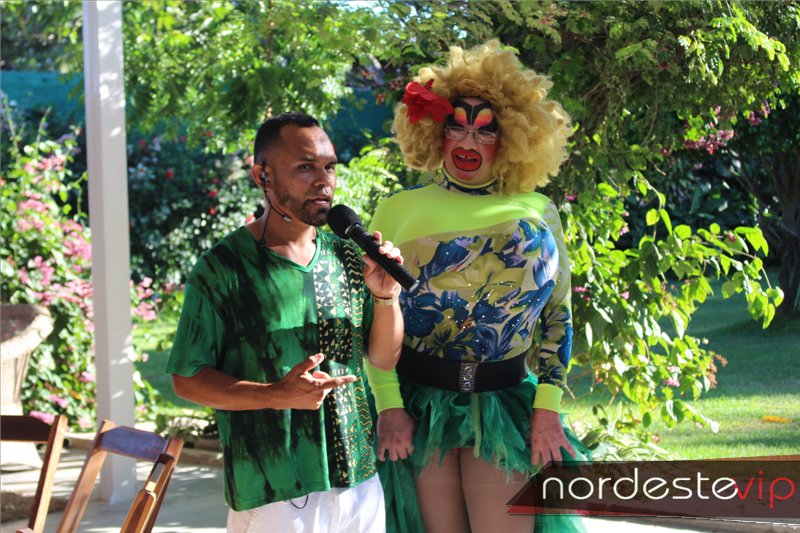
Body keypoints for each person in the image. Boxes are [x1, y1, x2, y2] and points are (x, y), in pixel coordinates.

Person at [364, 41, 588, 532]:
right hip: (420, 408)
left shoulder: (539, 211)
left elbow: (558, 317)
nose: (468, 140)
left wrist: (548, 409)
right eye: (456, 126)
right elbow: (372, 317)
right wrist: (389, 405)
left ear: (510, 139)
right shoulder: (397, 210)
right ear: (435, 132)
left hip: (506, 404)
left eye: (486, 130)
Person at [166, 112, 405, 533]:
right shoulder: (223, 268)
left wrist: (385, 295)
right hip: (275, 491)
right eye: (306, 167)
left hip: (359, 483)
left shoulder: (349, 256)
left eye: (329, 166)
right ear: (263, 176)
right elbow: (187, 380)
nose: (324, 181)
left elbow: (384, 359)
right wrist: (276, 394)